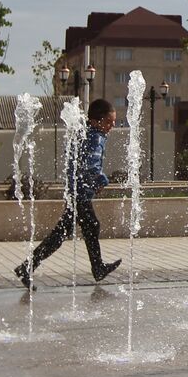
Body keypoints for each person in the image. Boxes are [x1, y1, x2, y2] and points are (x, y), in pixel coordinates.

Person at [15, 98, 122, 288]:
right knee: (86, 227)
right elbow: (90, 165)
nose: (112, 126)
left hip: (76, 191)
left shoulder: (87, 133)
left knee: (68, 231)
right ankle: (97, 268)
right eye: (108, 121)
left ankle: (28, 266)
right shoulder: (95, 136)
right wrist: (102, 180)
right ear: (96, 121)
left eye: (113, 122)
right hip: (80, 193)